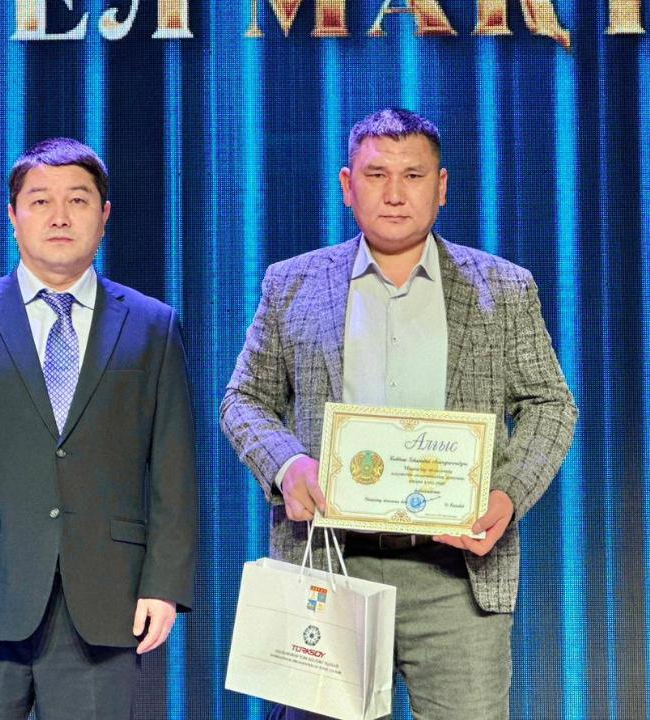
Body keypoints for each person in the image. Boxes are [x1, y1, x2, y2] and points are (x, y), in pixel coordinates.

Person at [220, 109, 577, 720]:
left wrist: (507, 494)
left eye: (413, 175)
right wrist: (288, 465)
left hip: (457, 578)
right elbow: (243, 399)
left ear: (441, 186)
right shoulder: (292, 283)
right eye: (376, 174)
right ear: (346, 185)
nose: (393, 193)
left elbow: (551, 404)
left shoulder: (504, 288)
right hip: (329, 567)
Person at [0, 138, 197, 720]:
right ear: (12, 216)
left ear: (104, 215)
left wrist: (164, 583)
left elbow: (174, 471)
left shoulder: (153, 326)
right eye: (39, 201)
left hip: (106, 600)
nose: (59, 216)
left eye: (78, 200)